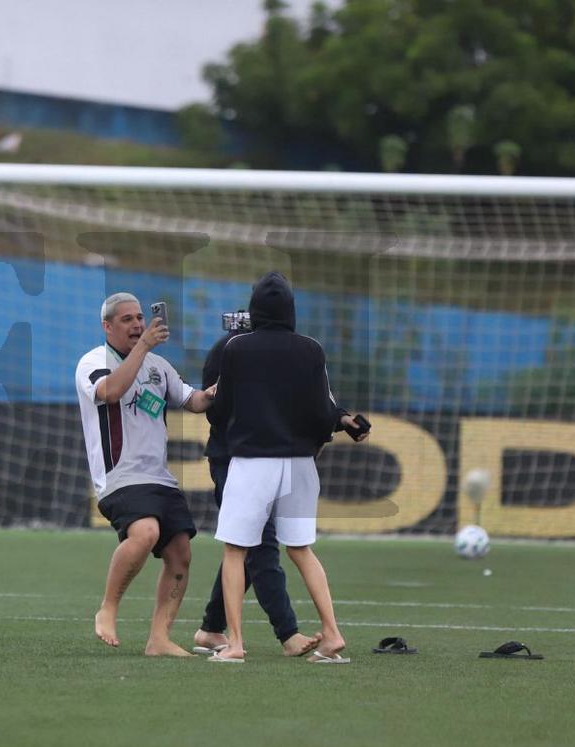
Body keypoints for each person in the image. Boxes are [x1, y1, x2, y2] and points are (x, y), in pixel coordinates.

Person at [211, 273, 363, 664]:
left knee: (236, 550)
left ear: (255, 309)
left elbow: (221, 407)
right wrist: (340, 425)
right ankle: (332, 633)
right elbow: (323, 411)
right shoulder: (311, 349)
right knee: (301, 549)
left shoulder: (237, 348)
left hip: (253, 463)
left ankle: (235, 643)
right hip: (299, 465)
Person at [75, 292, 216, 656]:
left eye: (140, 317)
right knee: (146, 532)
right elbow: (111, 390)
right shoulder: (93, 361)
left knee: (180, 553)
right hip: (119, 477)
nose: (138, 324)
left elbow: (194, 401)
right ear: (107, 326)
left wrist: (219, 389)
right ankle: (107, 609)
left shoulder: (159, 365)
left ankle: (159, 639)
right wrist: (143, 348)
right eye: (127, 319)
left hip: (159, 477)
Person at [192, 313, 323, 659]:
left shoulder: (251, 350)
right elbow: (216, 409)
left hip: (257, 458)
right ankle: (288, 633)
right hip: (235, 459)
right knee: (261, 544)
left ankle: (210, 628)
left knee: (243, 545)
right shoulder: (230, 351)